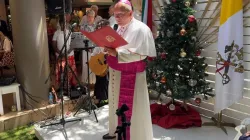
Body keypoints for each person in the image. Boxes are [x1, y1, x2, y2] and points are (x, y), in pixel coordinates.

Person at [103, 0, 156, 139]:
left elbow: (141, 53)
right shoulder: (117, 27)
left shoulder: (141, 29)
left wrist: (117, 53)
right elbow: (115, 46)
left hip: (132, 75)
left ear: (130, 13)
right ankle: (116, 131)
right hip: (116, 72)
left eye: (120, 15)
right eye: (115, 15)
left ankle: (135, 136)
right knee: (115, 103)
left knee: (134, 109)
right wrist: (107, 49)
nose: (117, 18)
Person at [52, 19, 77, 92]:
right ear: (60, 24)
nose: (64, 25)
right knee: (61, 72)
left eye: (65, 24)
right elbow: (53, 44)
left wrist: (68, 52)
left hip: (70, 55)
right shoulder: (56, 33)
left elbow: (73, 43)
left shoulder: (70, 32)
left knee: (71, 71)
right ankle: (62, 87)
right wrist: (60, 53)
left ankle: (72, 86)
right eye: (62, 24)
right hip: (60, 56)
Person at [91, 19, 110, 107]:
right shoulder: (98, 38)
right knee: (100, 81)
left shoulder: (109, 37)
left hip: (107, 62)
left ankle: (102, 99)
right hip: (100, 62)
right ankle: (99, 100)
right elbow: (96, 51)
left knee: (105, 81)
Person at [81, 9, 96, 84]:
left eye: (92, 17)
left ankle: (94, 82)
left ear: (94, 17)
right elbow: (81, 37)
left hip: (95, 49)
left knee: (94, 65)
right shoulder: (83, 26)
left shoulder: (97, 26)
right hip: (86, 49)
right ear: (86, 17)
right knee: (85, 65)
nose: (90, 18)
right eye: (89, 16)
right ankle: (86, 82)